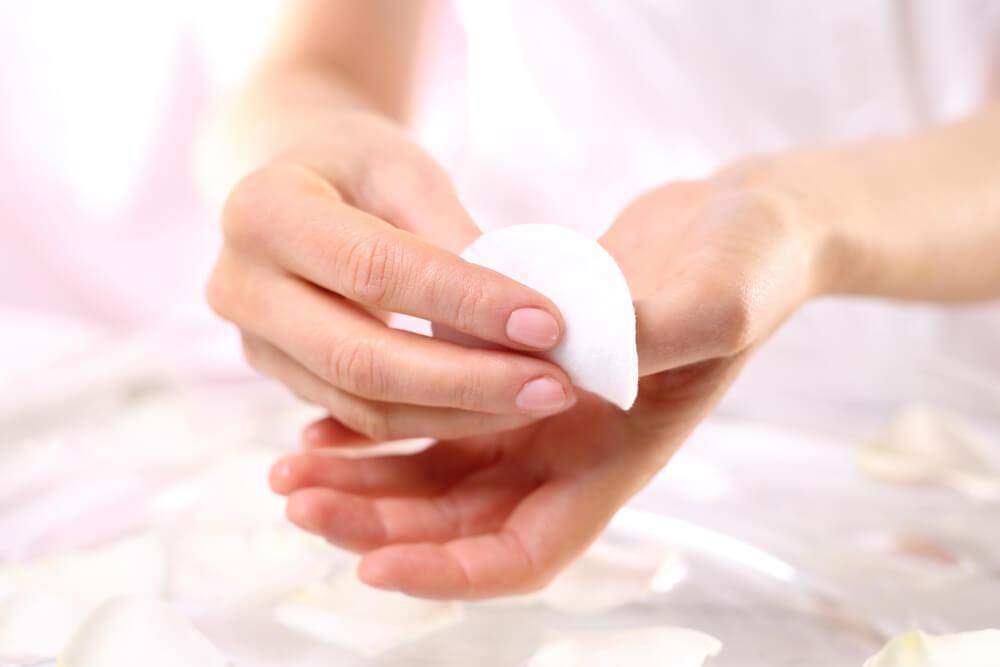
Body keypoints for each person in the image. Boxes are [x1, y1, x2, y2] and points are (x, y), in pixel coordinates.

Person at [205, 0, 1000, 599]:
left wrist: (803, 216)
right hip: (530, 416)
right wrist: (298, 164)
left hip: (968, 429)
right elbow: (318, 65)